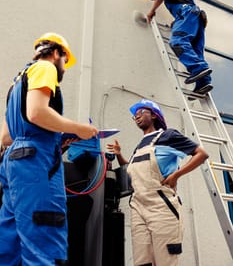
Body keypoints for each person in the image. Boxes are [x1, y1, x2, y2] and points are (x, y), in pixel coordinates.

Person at [0, 32, 98, 265]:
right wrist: (79, 129)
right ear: (56, 53)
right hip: (36, 164)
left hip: (14, 163)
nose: (64, 67)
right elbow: (37, 113)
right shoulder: (45, 68)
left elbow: (5, 137)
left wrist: (56, 136)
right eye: (65, 61)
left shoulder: (16, 85)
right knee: (44, 237)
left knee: (10, 242)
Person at [106, 98, 208, 266]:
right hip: (138, 207)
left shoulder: (168, 135)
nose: (137, 117)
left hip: (161, 207)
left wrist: (177, 175)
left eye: (140, 113)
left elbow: (201, 154)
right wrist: (118, 154)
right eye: (134, 116)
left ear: (153, 115)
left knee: (164, 260)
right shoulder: (139, 146)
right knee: (142, 261)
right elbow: (131, 169)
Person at [143, 0, 213, 95]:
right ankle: (203, 83)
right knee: (196, 51)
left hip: (188, 13)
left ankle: (198, 68)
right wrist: (176, 22)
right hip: (195, 17)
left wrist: (151, 11)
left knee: (177, 42)